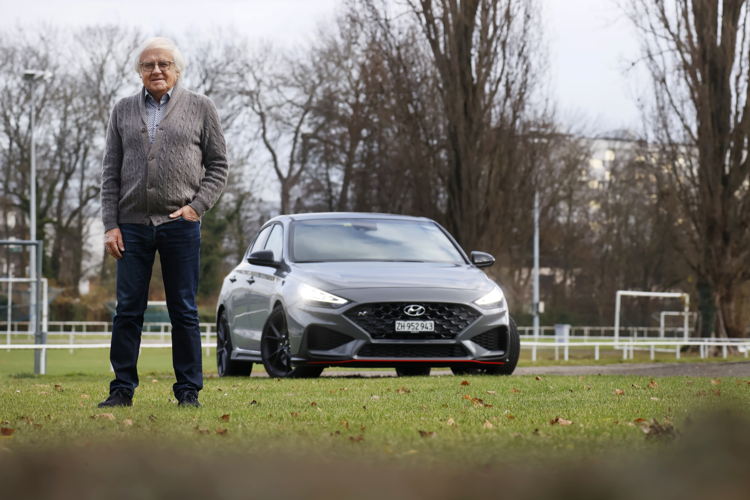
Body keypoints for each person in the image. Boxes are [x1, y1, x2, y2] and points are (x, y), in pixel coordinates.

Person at [98, 37, 228, 408]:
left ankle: (188, 392)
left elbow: (218, 165)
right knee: (127, 310)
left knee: (183, 310)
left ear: (177, 70)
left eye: (164, 64)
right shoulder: (122, 110)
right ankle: (121, 389)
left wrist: (196, 207)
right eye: (148, 65)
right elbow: (110, 173)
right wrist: (110, 225)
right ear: (139, 71)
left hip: (180, 224)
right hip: (131, 225)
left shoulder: (201, 107)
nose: (156, 70)